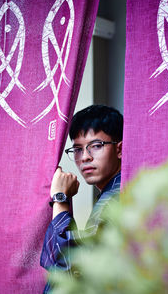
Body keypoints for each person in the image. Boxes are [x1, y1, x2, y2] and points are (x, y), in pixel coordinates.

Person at [40, 105, 123, 293]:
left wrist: (60, 199)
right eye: (77, 149)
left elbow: (72, 270)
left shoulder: (115, 198)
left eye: (95, 146)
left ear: (120, 149)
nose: (85, 157)